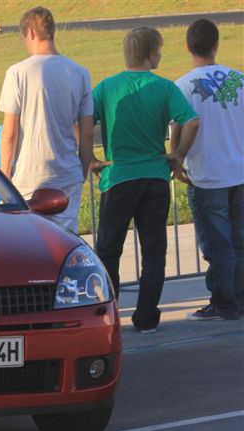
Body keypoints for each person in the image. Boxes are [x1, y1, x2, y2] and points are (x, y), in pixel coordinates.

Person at [91, 27, 199, 334]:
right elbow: (191, 121)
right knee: (154, 250)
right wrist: (177, 154)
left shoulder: (107, 87)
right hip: (154, 177)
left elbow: (82, 121)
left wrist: (89, 157)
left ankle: (108, 315)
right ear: (151, 54)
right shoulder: (164, 88)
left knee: (109, 250)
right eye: (160, 50)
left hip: (118, 176)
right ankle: (147, 315)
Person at [0, 6, 95, 233]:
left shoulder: (17, 72)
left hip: (29, 175)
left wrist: (4, 173)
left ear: (30, 32)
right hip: (67, 173)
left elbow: (9, 132)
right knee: (65, 242)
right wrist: (81, 171)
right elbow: (87, 132)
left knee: (27, 242)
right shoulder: (80, 72)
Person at [172, 19, 244, 321]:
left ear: (188, 46)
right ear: (216, 45)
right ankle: (237, 298)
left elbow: (180, 123)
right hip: (239, 171)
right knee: (238, 241)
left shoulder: (184, 85)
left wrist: (176, 157)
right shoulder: (239, 79)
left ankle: (224, 303)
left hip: (208, 175)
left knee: (217, 244)